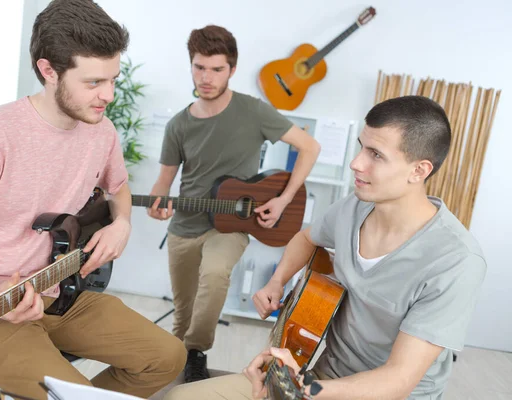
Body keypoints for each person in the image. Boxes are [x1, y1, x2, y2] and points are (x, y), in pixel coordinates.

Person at [0, 1, 186, 399]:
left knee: (168, 357)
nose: (108, 95)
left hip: (62, 291)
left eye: (113, 79)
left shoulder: (102, 132)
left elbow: (119, 188)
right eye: (93, 83)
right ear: (48, 71)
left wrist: (122, 223)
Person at [163, 95, 487, 399]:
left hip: (373, 393)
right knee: (180, 396)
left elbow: (400, 379)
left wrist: (308, 389)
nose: (356, 164)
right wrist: (276, 282)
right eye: (361, 147)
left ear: (419, 170)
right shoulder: (353, 206)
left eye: (376, 155)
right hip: (316, 375)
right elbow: (307, 239)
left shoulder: (456, 261)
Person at [146, 24, 321, 383]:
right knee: (183, 312)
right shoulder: (178, 125)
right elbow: (164, 182)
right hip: (184, 225)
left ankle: (196, 353)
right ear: (190, 65)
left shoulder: (253, 111)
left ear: (232, 69)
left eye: (216, 69)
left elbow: (309, 147)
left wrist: (283, 198)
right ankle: (173, 368)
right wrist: (157, 204)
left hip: (232, 225)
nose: (206, 77)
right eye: (199, 67)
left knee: (214, 274)